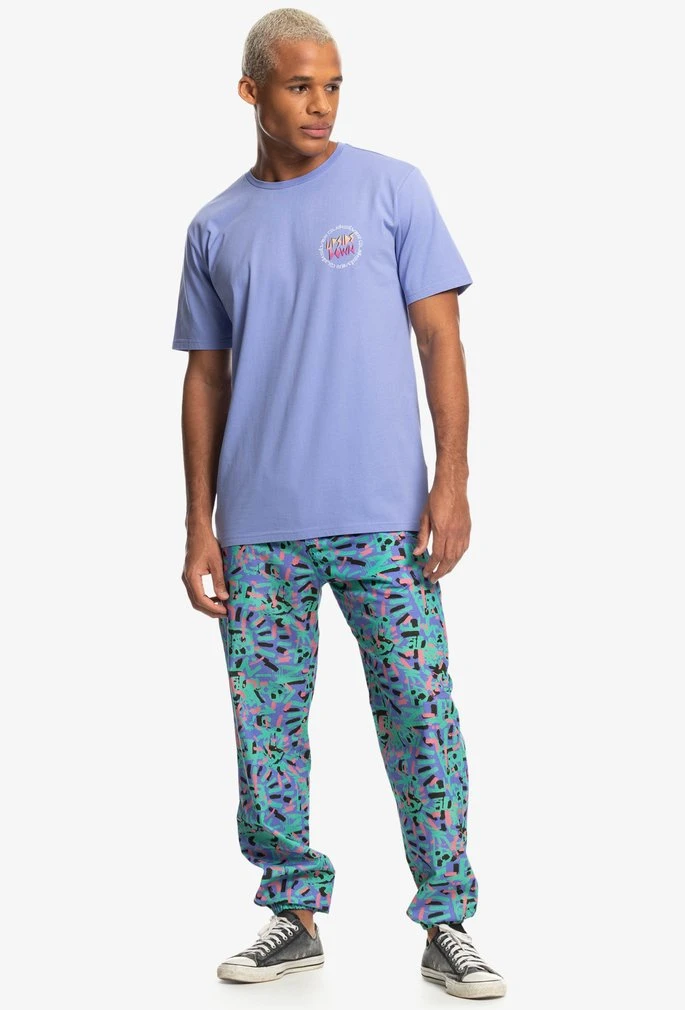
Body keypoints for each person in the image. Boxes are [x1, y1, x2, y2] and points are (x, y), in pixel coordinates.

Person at [171, 7, 506, 1000]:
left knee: (420, 713)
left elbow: (440, 339)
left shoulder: (392, 188)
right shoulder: (215, 225)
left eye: (332, 85)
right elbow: (205, 378)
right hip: (260, 527)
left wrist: (452, 481)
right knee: (267, 729)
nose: (319, 104)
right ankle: (295, 913)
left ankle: (447, 920)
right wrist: (198, 523)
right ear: (252, 93)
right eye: (298, 86)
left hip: (384, 518)